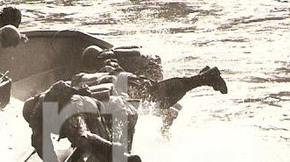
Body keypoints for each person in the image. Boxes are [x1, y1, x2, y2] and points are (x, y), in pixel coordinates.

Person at [22, 79, 146, 162]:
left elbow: (40, 143)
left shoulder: (37, 113)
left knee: (82, 138)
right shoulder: (55, 94)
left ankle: (121, 156)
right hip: (97, 108)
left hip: (74, 109)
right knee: (106, 160)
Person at [79, 45, 227, 129]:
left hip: (130, 83)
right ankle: (202, 77)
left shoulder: (106, 63)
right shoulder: (112, 60)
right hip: (132, 82)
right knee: (155, 101)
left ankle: (206, 77)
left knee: (158, 97)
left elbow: (118, 73)